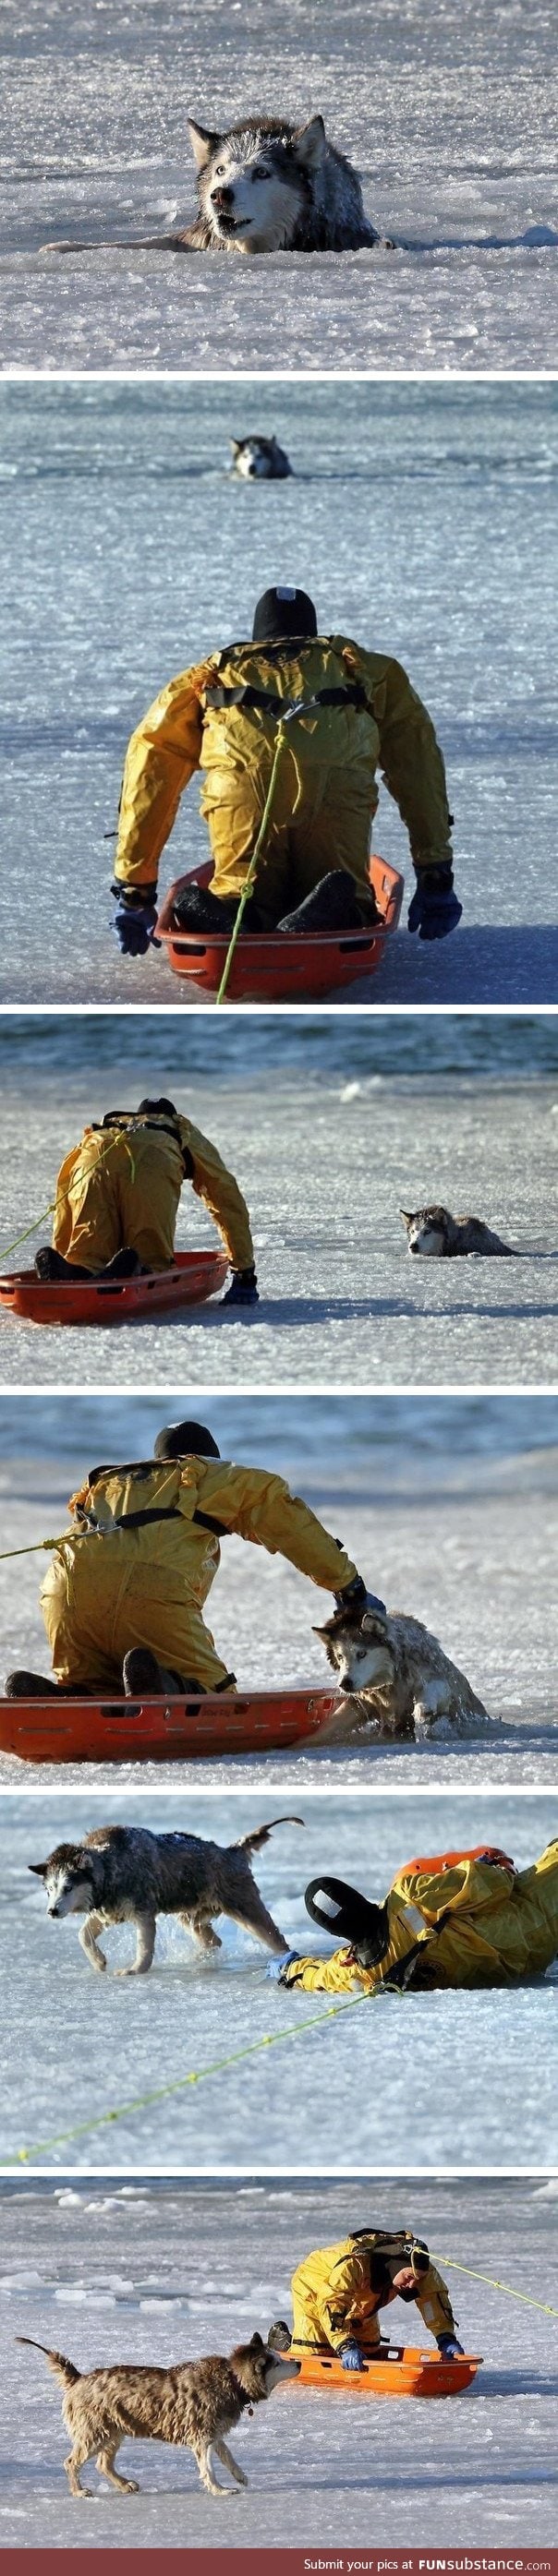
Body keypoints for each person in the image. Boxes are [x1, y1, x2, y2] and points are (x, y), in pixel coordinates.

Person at [111, 586, 461, 953]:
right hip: (336, 797)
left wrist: (135, 891)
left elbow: (150, 773)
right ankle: (337, 910)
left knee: (242, 892)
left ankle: (230, 915)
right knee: (347, 896)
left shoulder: (210, 675)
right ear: (311, 632)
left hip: (241, 798)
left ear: (257, 636)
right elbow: (417, 769)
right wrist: (435, 873)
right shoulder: (365, 669)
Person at [5, 1419, 385, 1702]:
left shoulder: (106, 1483)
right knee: (216, 1696)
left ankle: (59, 1696)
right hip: (151, 1594)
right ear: (207, 1456)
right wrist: (347, 1586)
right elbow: (289, 1525)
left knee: (100, 1685)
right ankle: (166, 1686)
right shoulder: (213, 1475)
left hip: (64, 1597)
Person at [32, 1096, 257, 1305]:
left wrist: (63, 1252)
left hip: (92, 1159)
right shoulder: (179, 1127)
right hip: (151, 1160)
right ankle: (139, 1267)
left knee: (88, 1257)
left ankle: (75, 1270)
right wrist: (244, 1272)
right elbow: (225, 1197)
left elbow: (65, 1196)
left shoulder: (105, 1128)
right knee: (151, 1259)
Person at [266, 1844, 558, 1992]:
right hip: (536, 1915)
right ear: (356, 1896)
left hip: (519, 1967)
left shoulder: (355, 1972)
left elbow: (315, 1977)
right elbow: (499, 1885)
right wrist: (486, 1863)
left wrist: (290, 1966)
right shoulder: (411, 1895)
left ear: (334, 1930)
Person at [271, 2228, 462, 2365]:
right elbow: (333, 2300)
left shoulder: (418, 2267)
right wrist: (345, 2346)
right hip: (316, 2287)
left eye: (417, 2279)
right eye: (409, 2277)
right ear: (395, 2267)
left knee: (369, 2352)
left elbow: (432, 2300)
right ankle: (283, 2344)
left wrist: (445, 2338)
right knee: (316, 2354)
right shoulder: (355, 2264)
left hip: (362, 2300)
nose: (412, 2284)